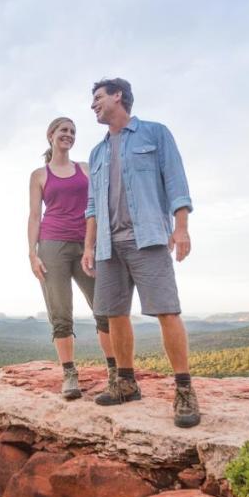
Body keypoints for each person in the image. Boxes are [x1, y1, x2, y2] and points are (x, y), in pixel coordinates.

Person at [81, 78, 200, 428]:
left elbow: (176, 183)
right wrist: (89, 246)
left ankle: (184, 390)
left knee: (166, 310)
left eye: (98, 98)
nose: (93, 105)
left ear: (118, 96)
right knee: (115, 313)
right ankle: (126, 383)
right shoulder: (97, 152)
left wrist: (181, 228)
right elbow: (91, 207)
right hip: (108, 244)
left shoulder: (155, 134)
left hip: (147, 237)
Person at [28, 116, 116, 399]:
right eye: (64, 130)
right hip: (52, 245)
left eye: (73, 132)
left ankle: (115, 372)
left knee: (103, 308)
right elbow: (34, 216)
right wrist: (32, 253)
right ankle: (69, 375)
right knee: (60, 313)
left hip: (87, 243)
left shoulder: (86, 169)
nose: (69, 135)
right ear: (50, 134)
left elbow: (103, 202)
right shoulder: (39, 175)